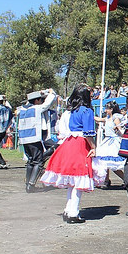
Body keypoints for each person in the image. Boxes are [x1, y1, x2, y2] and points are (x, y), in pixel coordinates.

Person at [40, 84, 101, 223]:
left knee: (72, 181)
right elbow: (88, 133)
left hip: (69, 143)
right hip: (80, 145)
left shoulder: (73, 111)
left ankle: (68, 210)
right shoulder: (87, 111)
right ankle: (73, 212)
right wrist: (94, 147)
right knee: (79, 179)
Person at [17, 89, 57, 192]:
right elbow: (48, 103)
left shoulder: (22, 109)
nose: (42, 101)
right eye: (40, 100)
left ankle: (28, 183)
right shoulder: (36, 108)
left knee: (31, 161)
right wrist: (51, 93)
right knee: (38, 162)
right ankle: (31, 185)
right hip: (34, 138)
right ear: (36, 100)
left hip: (24, 139)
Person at [92, 101, 125, 189]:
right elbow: (98, 119)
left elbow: (121, 130)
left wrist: (120, 133)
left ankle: (127, 180)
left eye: (108, 108)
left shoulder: (115, 118)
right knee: (104, 162)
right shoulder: (107, 118)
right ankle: (106, 180)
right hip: (107, 140)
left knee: (113, 165)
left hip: (113, 141)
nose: (106, 110)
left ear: (112, 109)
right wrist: (89, 114)